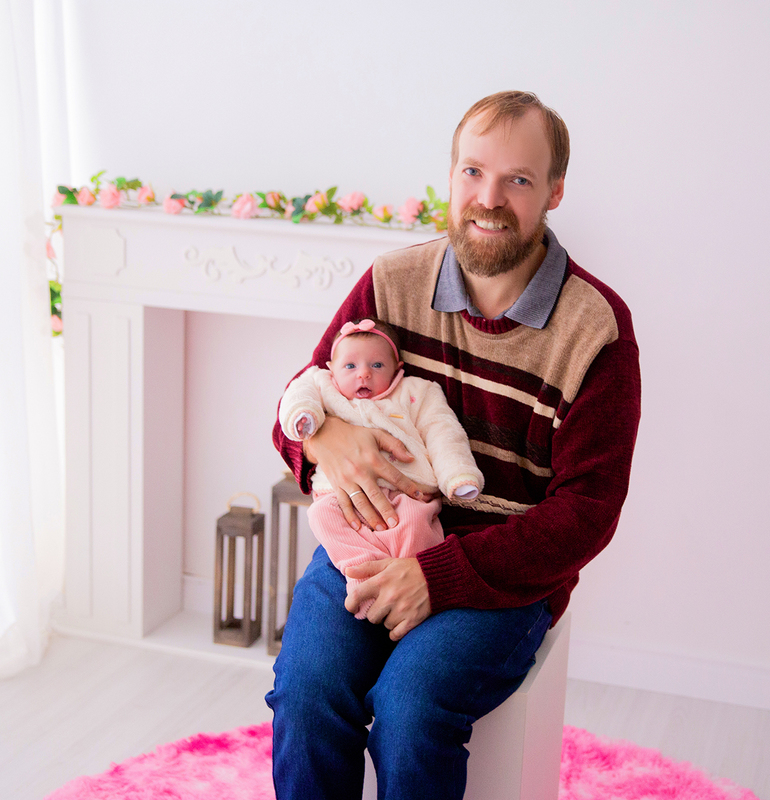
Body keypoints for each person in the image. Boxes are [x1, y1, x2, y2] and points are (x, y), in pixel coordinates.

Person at [266, 90, 641, 800]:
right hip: (370, 545)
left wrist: (441, 576)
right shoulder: (391, 283)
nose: (487, 198)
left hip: (499, 575)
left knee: (409, 710)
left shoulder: (598, 329)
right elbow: (296, 403)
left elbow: (588, 511)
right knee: (308, 693)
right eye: (472, 172)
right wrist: (329, 442)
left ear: (555, 191)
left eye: (517, 180)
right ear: (450, 175)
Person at [278, 316, 484, 619]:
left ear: (397, 369)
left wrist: (457, 474)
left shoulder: (417, 393)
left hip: (408, 493)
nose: (363, 374)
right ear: (331, 368)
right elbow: (298, 393)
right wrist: (304, 418)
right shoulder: (322, 385)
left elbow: (443, 432)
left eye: (377, 366)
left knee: (417, 524)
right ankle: (363, 575)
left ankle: (411, 589)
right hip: (344, 498)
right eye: (350, 366)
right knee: (320, 516)